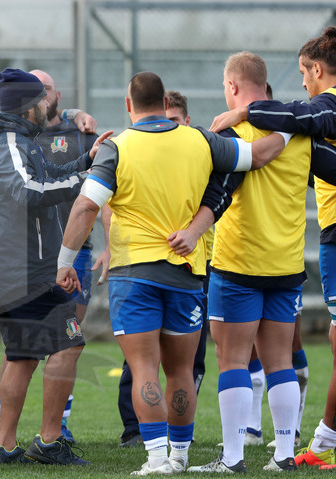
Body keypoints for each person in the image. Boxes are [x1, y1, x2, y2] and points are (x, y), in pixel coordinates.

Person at [56, 70, 295, 475]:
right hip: (187, 271)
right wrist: (292, 128)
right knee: (182, 369)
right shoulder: (200, 139)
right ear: (166, 104)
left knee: (144, 367)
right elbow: (259, 155)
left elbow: (85, 207)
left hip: (134, 273)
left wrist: (65, 261)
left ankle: (156, 459)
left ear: (129, 105)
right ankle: (181, 456)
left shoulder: (118, 147)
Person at [210, 26, 336, 470]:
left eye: (303, 74)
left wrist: (245, 114)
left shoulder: (331, 104)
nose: (302, 84)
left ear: (317, 69)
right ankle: (325, 440)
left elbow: (301, 118)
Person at [0, 67, 106, 466]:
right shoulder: (10, 142)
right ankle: (49, 442)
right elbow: (29, 191)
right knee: (70, 344)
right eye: (42, 101)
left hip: (15, 268)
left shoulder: (14, 139)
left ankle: (6, 446)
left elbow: (45, 175)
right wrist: (87, 179)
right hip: (26, 270)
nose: (48, 106)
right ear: (29, 107)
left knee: (22, 357)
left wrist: (86, 159)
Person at [115, 89, 212, 449]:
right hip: (185, 270)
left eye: (174, 121)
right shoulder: (205, 145)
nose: (165, 127)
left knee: (153, 366)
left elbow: (91, 201)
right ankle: (158, 443)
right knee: (171, 367)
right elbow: (243, 169)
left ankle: (159, 455)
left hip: (169, 267)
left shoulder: (197, 146)